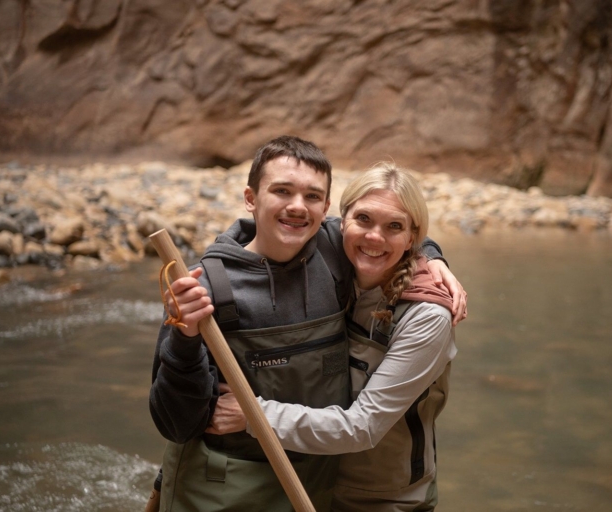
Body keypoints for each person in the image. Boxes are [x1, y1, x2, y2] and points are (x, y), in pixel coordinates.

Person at [149, 136, 466, 512]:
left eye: (312, 197)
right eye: (282, 191)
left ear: (326, 209)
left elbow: (392, 226)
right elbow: (177, 424)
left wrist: (433, 259)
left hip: (324, 486)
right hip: (227, 487)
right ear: (250, 198)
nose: (298, 207)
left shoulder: (336, 251)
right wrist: (184, 337)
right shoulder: (203, 289)